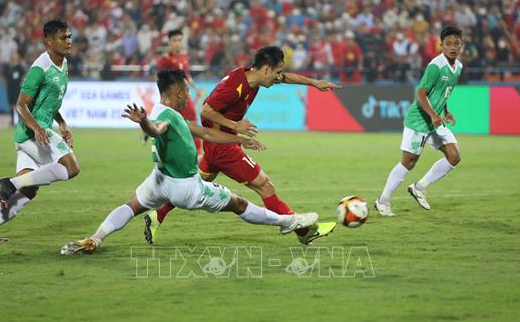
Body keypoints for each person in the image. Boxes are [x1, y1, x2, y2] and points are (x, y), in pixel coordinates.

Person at [60, 70, 317, 254]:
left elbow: (205, 133)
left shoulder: (169, 113)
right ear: (176, 92)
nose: (188, 96)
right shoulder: (166, 118)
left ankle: (95, 238)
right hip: (186, 187)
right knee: (238, 203)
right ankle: (289, 222)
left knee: (131, 206)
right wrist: (145, 124)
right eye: (185, 91)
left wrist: (238, 139)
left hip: (158, 180)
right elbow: (157, 129)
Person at [144, 46, 340, 245]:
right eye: (277, 72)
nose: (279, 77)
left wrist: (315, 83)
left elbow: (286, 78)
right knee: (264, 186)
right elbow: (206, 111)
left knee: (196, 182)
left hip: (216, 145)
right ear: (266, 70)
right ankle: (304, 231)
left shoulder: (253, 77)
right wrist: (234, 125)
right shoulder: (235, 86)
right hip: (223, 146)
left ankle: (157, 215)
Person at [0, 20, 80, 241]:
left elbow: (51, 100)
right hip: (33, 132)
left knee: (29, 188)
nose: (68, 41)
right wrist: (38, 128)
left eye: (69, 37)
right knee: (71, 167)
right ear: (48, 41)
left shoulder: (63, 63)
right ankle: (9, 183)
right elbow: (20, 105)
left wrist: (62, 123)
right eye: (63, 37)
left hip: (36, 130)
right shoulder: (40, 68)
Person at [374, 26, 464, 216]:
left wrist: (446, 111)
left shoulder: (459, 67)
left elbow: (442, 92)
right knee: (409, 162)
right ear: (442, 46)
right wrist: (433, 115)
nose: (453, 47)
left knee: (454, 156)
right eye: (448, 44)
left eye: (456, 43)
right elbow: (421, 94)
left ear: (461, 45)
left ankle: (419, 187)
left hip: (436, 119)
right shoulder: (435, 66)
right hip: (420, 119)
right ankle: (382, 201)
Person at [155, 29, 202, 154]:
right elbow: (160, 79)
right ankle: (166, 151)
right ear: (169, 42)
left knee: (192, 121)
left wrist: (196, 89)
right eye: (174, 40)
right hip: (172, 98)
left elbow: (186, 75)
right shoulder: (165, 59)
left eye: (179, 40)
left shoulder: (184, 57)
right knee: (169, 123)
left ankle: (197, 152)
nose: (177, 43)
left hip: (184, 96)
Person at [2, 51, 26, 125]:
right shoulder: (8, 66)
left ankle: (20, 121)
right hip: (10, 87)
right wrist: (3, 83)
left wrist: (23, 83)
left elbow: (24, 75)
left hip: (17, 87)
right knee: (11, 104)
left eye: (15, 55)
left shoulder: (19, 66)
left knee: (17, 104)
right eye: (13, 55)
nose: (14, 56)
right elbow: (4, 76)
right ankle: (12, 121)